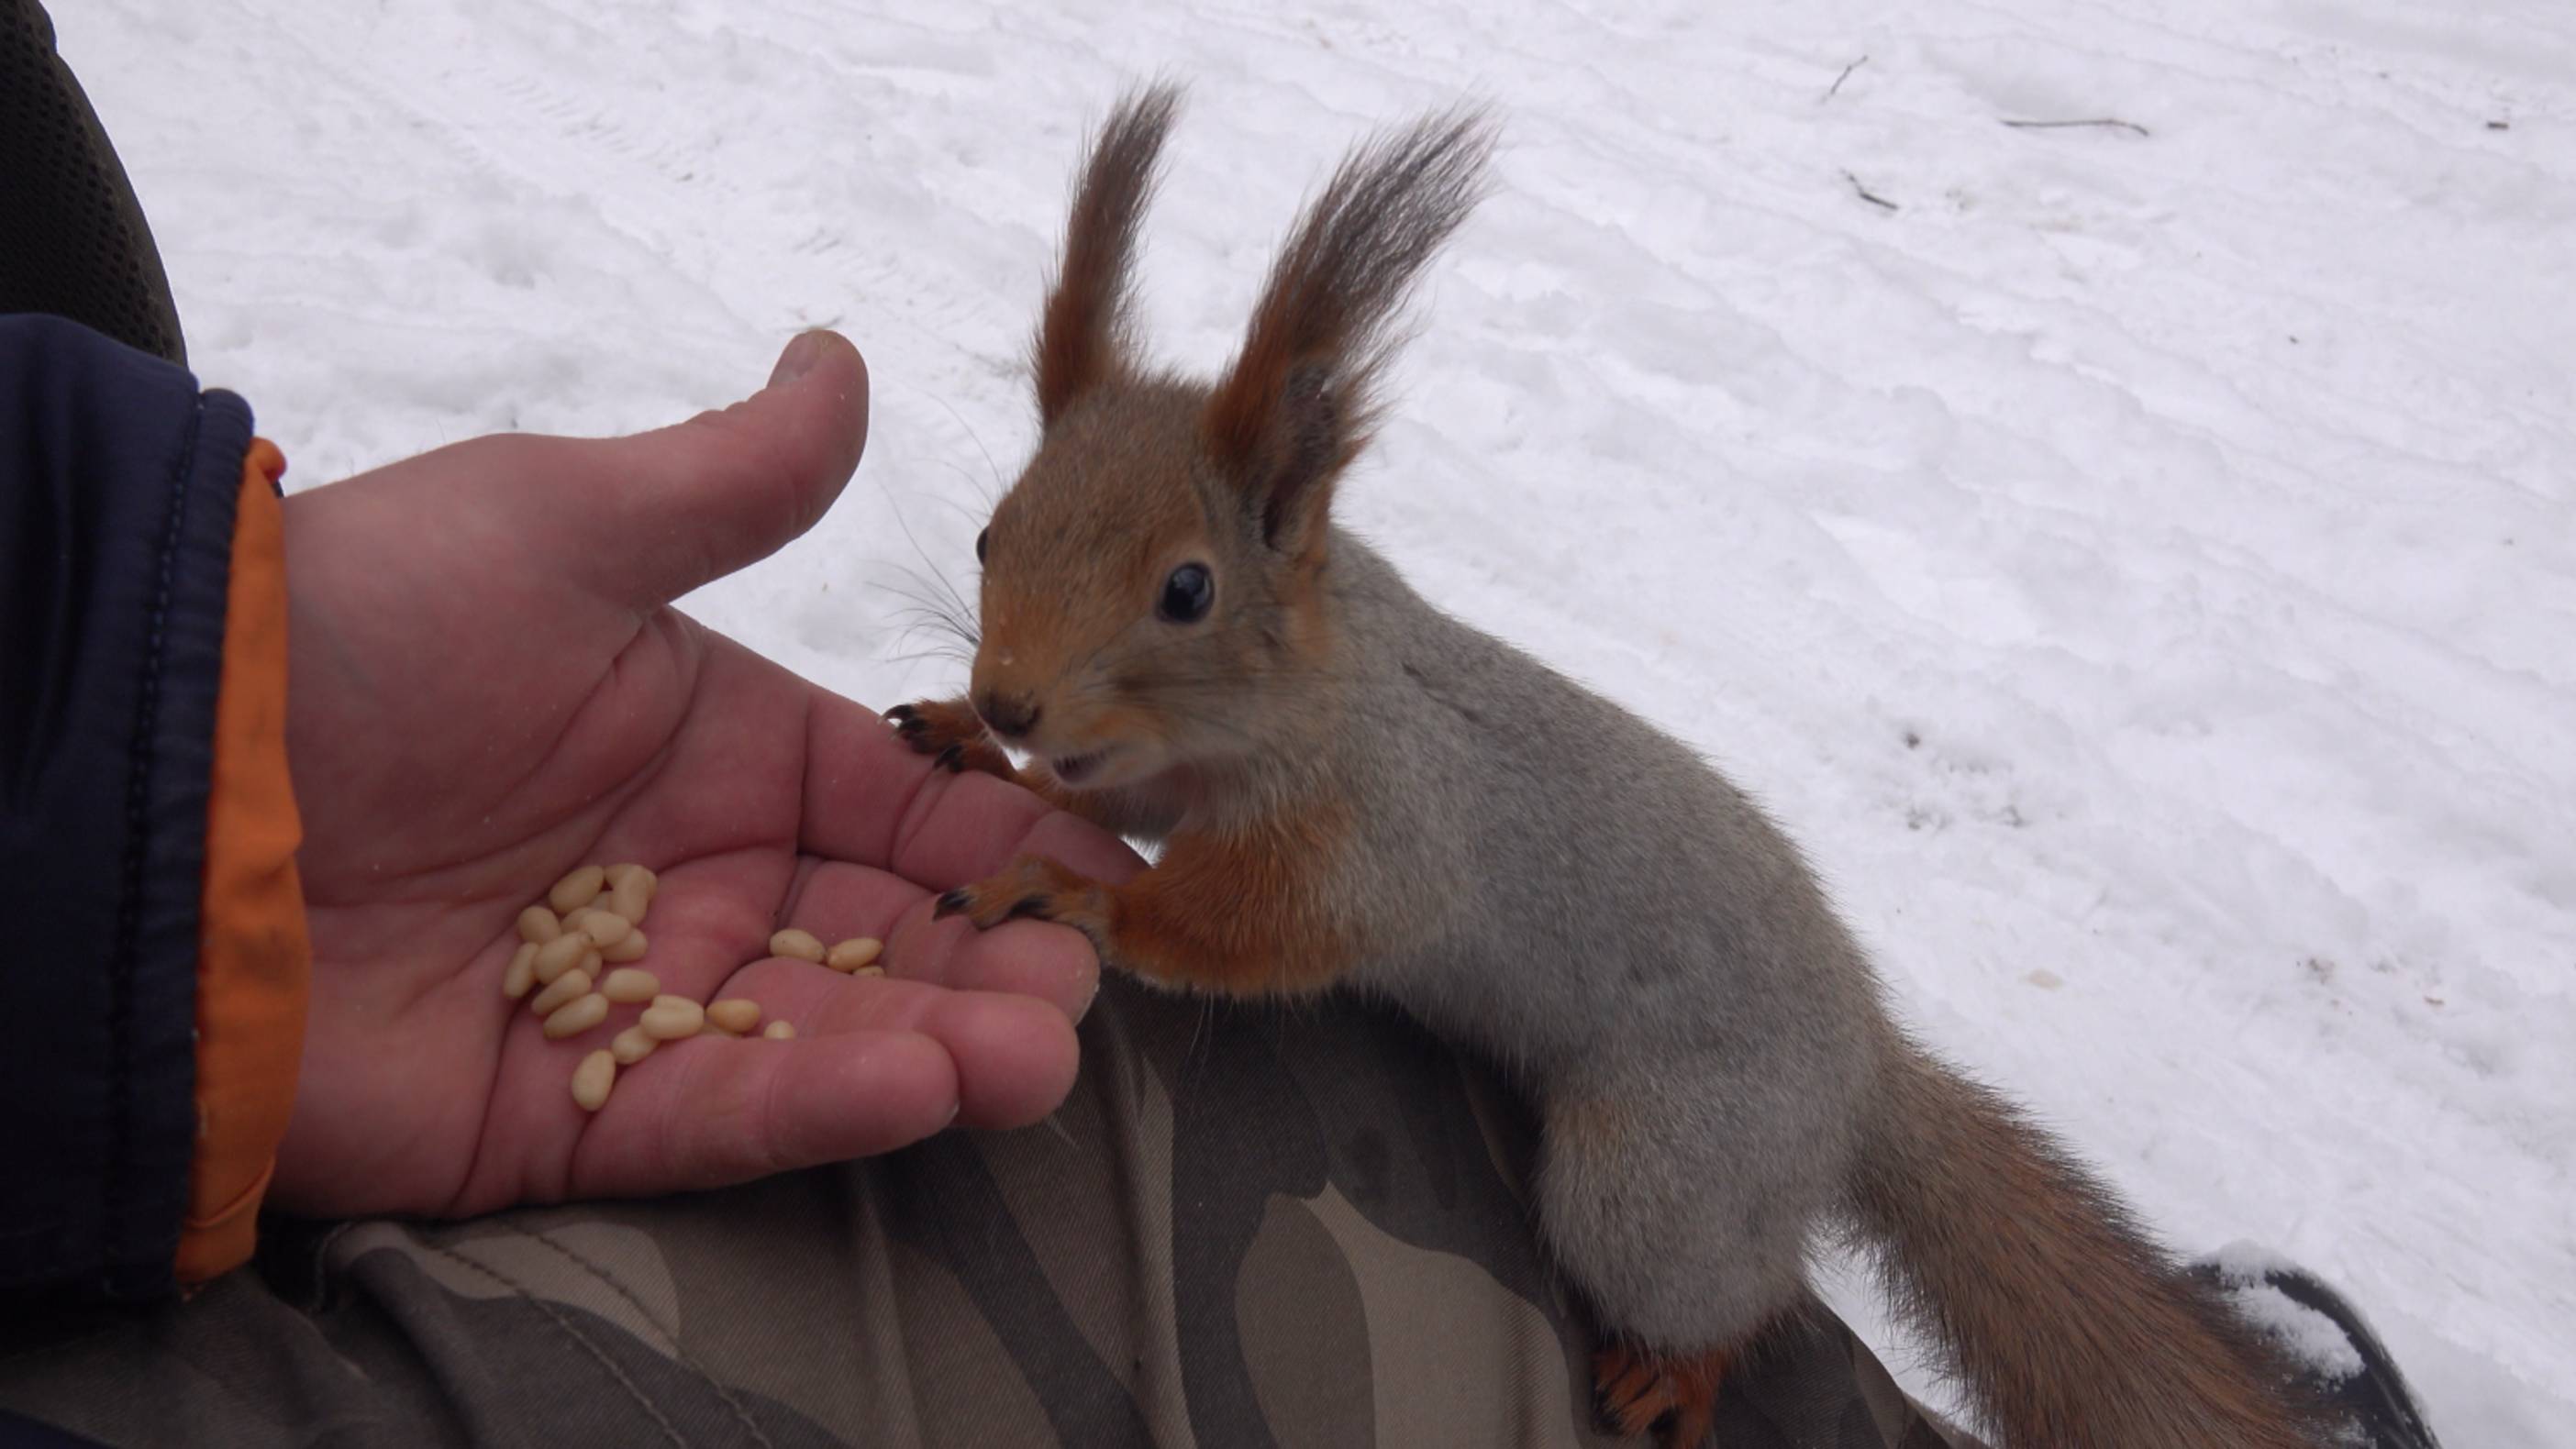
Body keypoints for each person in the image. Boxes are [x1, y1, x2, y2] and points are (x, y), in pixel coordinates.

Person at [0, 4, 2440, 1446]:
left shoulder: (1344, 738)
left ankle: (1733, 1358)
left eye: (1151, 608)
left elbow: (1315, 913)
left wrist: (1151, 932)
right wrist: (1005, 735)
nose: (1050, 682)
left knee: (1593, 1211)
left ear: (1275, 555)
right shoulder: (1170, 660)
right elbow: (1087, 714)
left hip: (1697, 1054)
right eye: (1009, 591)